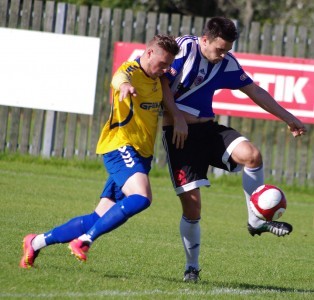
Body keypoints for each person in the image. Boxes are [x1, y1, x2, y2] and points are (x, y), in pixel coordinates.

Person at [161, 16, 307, 282]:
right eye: (219, 49)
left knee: (252, 156)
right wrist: (177, 117)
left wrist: (289, 118)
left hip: (207, 130)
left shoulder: (226, 62)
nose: (223, 55)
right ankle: (192, 267)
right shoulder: (183, 49)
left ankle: (256, 219)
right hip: (179, 136)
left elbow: (255, 91)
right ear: (204, 40)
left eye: (228, 50)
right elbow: (161, 83)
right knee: (193, 209)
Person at [20, 34, 180, 269]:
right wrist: (125, 86)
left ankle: (35, 242)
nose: (165, 69)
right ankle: (85, 241)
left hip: (141, 155)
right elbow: (119, 78)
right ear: (148, 53)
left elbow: (165, 80)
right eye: (163, 63)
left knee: (98, 218)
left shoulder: (159, 77)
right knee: (143, 197)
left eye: (169, 64)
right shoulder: (131, 71)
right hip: (120, 146)